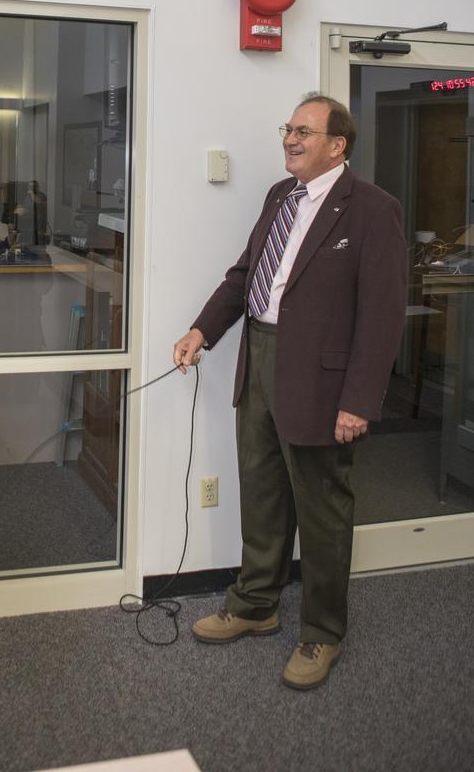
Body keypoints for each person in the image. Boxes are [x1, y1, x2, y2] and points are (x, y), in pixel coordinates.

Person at [173, 94, 407, 690]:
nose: (290, 139)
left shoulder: (372, 211)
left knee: (324, 509)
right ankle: (256, 604)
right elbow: (245, 275)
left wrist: (359, 399)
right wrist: (204, 329)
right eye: (288, 129)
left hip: (323, 383)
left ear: (338, 145)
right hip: (260, 362)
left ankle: (323, 633)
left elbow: (382, 317)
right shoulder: (279, 197)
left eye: (304, 131)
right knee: (263, 492)